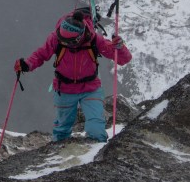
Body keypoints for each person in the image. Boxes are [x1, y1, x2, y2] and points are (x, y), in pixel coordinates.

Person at [14, 9, 132, 143]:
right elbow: (41, 55)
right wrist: (27, 65)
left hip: (90, 88)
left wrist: (120, 48)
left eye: (69, 41)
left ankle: (96, 152)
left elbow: (123, 59)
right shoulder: (56, 38)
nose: (64, 43)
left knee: (96, 129)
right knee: (62, 131)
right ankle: (60, 154)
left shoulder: (94, 39)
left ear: (80, 37)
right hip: (65, 89)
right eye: (62, 39)